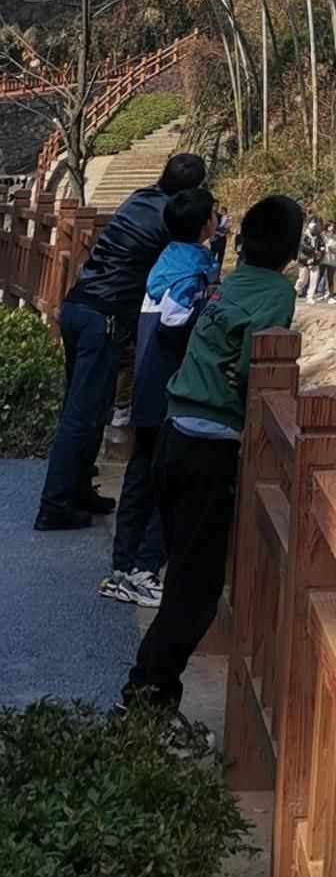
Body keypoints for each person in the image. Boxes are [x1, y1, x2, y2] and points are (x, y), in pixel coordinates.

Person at [123, 193, 304, 716]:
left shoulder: (233, 278)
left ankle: (148, 689)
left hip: (174, 430)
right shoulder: (277, 291)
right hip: (209, 444)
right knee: (198, 589)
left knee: (183, 573)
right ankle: (148, 699)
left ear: (244, 240)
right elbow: (257, 360)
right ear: (291, 250)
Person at [36, 149, 207, 531]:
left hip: (79, 306)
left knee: (89, 406)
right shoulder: (171, 221)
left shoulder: (137, 198)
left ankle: (79, 488)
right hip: (105, 317)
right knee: (83, 413)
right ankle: (54, 504)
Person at [101, 184, 216, 605]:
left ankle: (121, 567)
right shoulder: (192, 268)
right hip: (169, 386)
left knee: (138, 476)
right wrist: (207, 314)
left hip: (146, 384)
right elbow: (174, 320)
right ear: (207, 223)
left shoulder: (167, 257)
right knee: (169, 484)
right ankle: (146, 569)